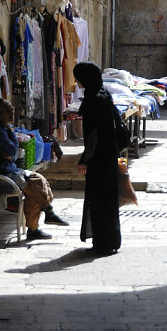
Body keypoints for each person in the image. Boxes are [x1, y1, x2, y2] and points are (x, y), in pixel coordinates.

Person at [0, 99, 68, 242]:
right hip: (1, 175)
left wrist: (11, 152)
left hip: (11, 170)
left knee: (40, 181)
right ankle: (43, 218)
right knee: (34, 190)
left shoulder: (4, 129)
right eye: (8, 111)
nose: (12, 113)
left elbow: (13, 153)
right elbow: (13, 149)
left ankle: (45, 216)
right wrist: (12, 144)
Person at [73, 61, 122, 256]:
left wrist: (85, 159)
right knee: (107, 199)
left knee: (100, 199)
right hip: (109, 155)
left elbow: (93, 135)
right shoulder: (103, 95)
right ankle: (109, 240)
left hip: (100, 158)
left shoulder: (93, 100)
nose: (76, 81)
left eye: (78, 77)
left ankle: (103, 242)